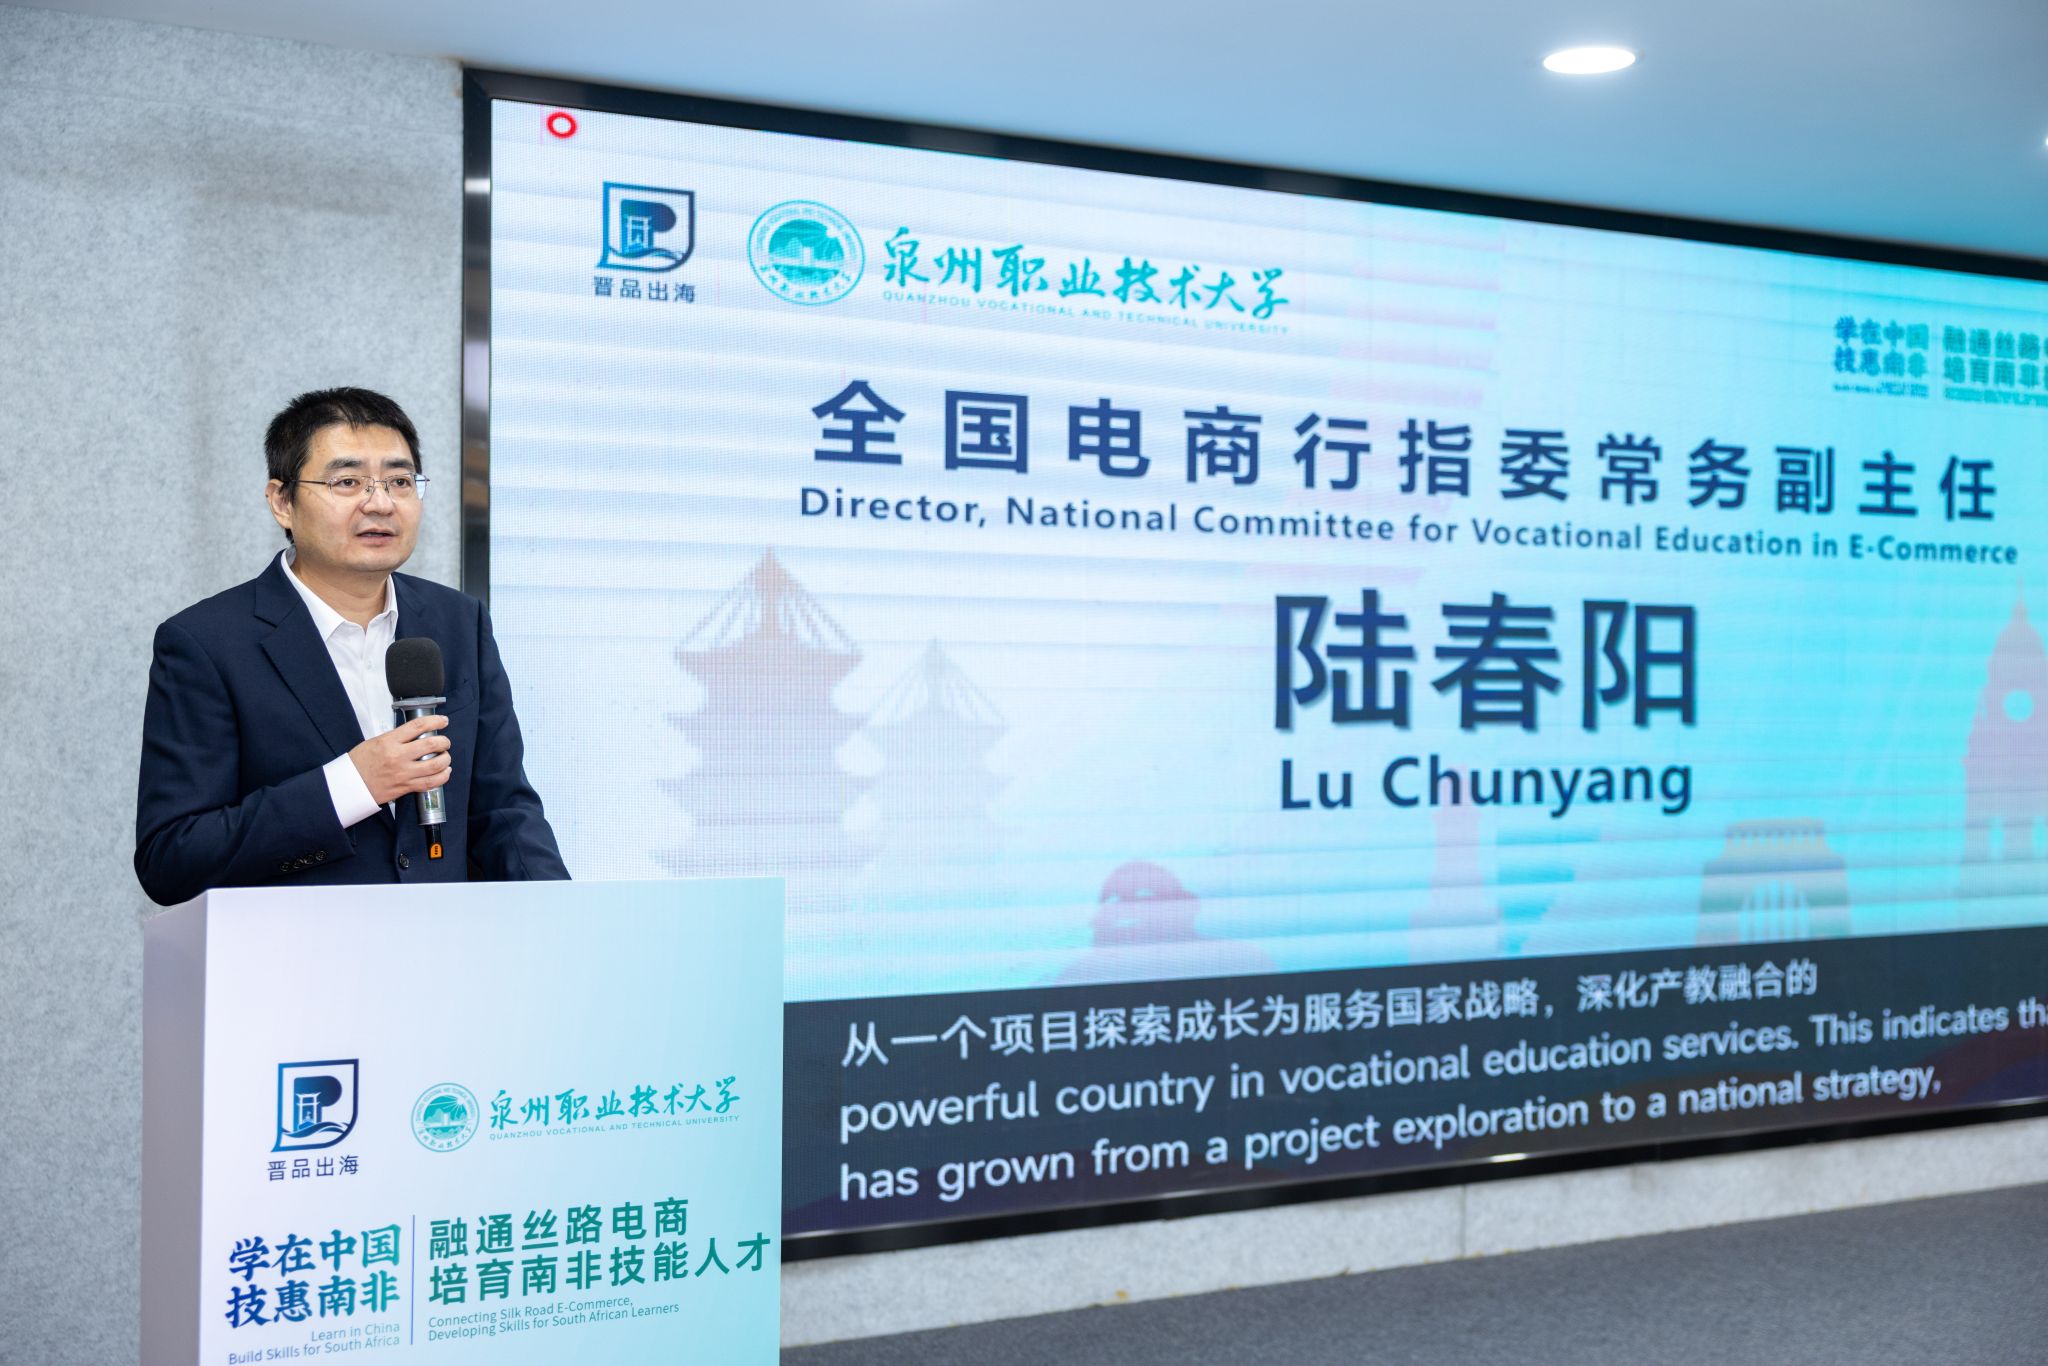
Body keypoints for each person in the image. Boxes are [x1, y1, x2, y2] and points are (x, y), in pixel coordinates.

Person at [134, 387, 567, 906]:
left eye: (400, 481)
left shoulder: (458, 622)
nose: (380, 503)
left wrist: (564, 919)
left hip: (443, 945)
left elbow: (505, 812)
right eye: (347, 482)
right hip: (295, 951)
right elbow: (172, 858)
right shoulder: (207, 643)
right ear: (282, 502)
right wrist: (352, 785)